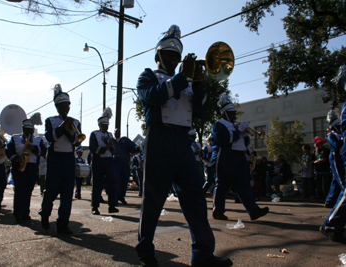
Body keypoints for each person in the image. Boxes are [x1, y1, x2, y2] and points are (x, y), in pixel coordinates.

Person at [135, 25, 232, 267]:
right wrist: (181, 77)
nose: (174, 59)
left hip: (184, 143)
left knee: (195, 200)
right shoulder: (147, 77)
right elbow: (155, 96)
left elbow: (200, 111)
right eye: (169, 55)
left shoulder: (186, 82)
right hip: (159, 140)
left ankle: (203, 255)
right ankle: (145, 252)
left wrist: (198, 82)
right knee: (153, 201)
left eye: (177, 56)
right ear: (158, 57)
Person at [211, 93, 269, 221]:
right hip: (225, 157)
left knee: (244, 186)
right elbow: (223, 139)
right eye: (231, 113)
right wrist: (239, 132)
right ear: (225, 113)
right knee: (221, 185)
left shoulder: (235, 125)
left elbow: (246, 142)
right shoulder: (218, 125)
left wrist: (244, 134)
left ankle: (253, 211)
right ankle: (218, 211)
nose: (234, 115)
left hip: (240, 158)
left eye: (234, 113)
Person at [38, 84, 82, 235]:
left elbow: (76, 142)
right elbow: (50, 138)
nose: (65, 109)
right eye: (62, 106)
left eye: (67, 106)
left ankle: (63, 224)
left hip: (69, 158)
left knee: (67, 193)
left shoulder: (75, 122)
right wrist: (63, 127)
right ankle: (44, 214)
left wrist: (70, 131)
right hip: (55, 158)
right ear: (57, 107)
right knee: (51, 190)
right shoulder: (51, 120)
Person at [320, 65, 346, 243]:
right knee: (341, 183)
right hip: (336, 156)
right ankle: (330, 223)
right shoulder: (331, 133)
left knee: (341, 184)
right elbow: (335, 145)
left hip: (339, 154)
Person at [6, 118, 46, 224]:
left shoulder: (38, 140)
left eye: (31, 129)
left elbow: (43, 151)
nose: (29, 131)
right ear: (23, 129)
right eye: (27, 129)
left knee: (28, 191)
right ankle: (18, 214)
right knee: (20, 190)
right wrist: (16, 158)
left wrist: (33, 148)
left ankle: (26, 212)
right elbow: (8, 150)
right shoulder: (15, 138)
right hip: (19, 166)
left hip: (32, 167)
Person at [89, 108, 119, 215]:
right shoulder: (94, 134)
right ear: (100, 125)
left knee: (112, 183)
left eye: (107, 125)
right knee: (97, 184)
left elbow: (112, 148)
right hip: (98, 161)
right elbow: (93, 149)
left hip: (109, 161)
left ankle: (112, 205)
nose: (106, 127)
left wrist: (113, 149)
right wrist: (106, 148)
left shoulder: (110, 135)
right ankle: (95, 207)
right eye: (104, 125)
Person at [113, 128, 141, 205]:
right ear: (114, 133)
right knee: (116, 180)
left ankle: (121, 196)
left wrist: (137, 148)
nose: (117, 133)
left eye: (118, 132)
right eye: (116, 132)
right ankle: (115, 197)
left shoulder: (125, 140)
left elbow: (133, 147)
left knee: (124, 180)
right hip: (116, 164)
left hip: (125, 163)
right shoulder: (112, 141)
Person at [324, 110, 344, 208]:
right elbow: (335, 145)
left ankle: (330, 200)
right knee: (341, 179)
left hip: (340, 157)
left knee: (335, 179)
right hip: (335, 157)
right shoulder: (331, 135)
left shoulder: (340, 134)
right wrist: (342, 140)